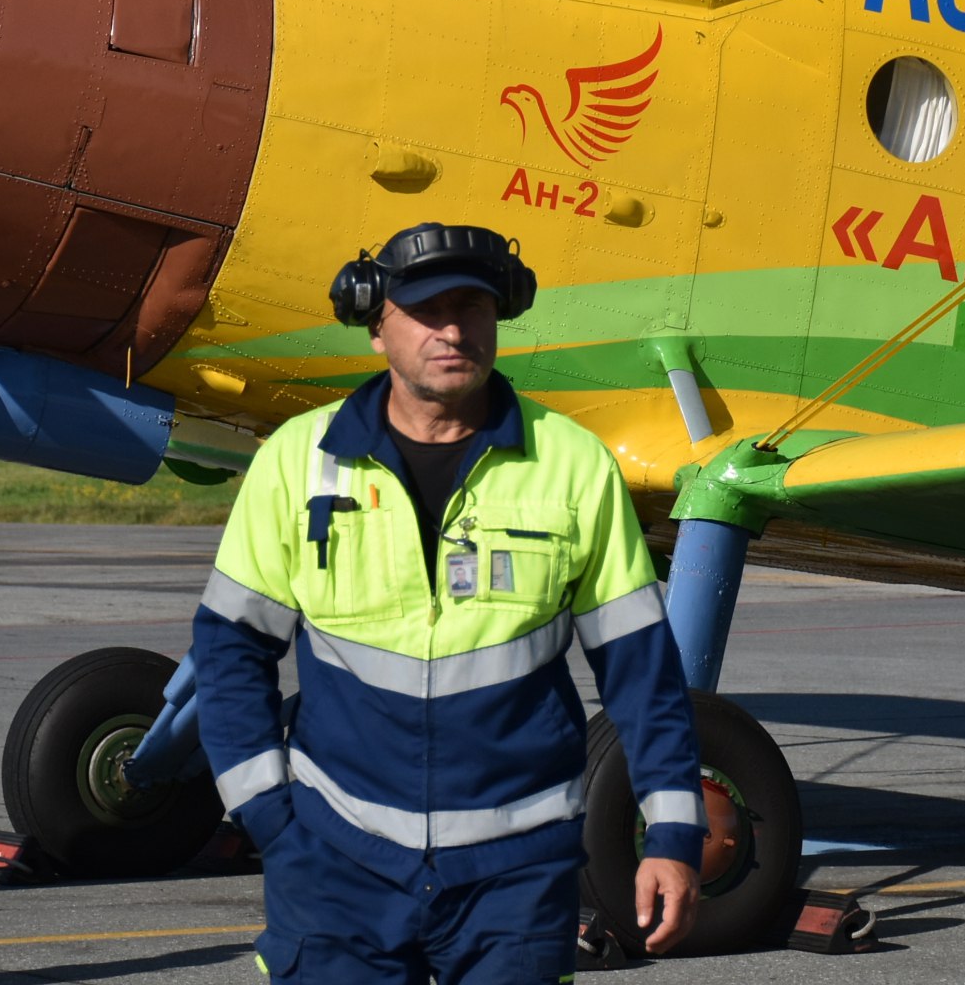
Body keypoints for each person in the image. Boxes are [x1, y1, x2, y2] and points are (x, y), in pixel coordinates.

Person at [191, 223, 703, 983]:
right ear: (376, 326)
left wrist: (671, 837)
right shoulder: (297, 462)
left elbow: (641, 673)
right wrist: (270, 817)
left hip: (517, 876)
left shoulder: (572, 465)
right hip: (336, 867)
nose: (454, 330)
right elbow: (229, 650)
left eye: (474, 308)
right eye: (428, 311)